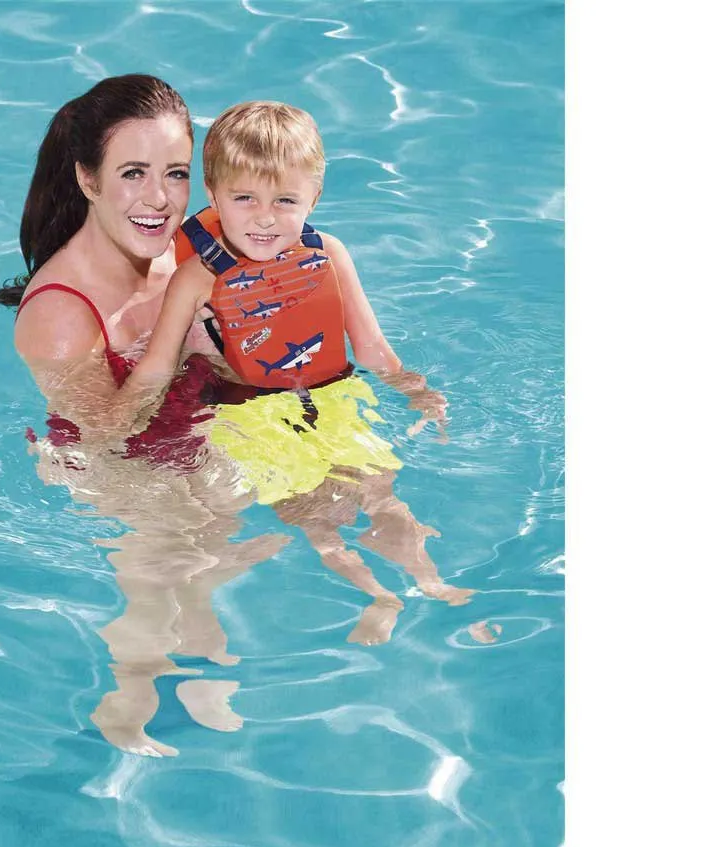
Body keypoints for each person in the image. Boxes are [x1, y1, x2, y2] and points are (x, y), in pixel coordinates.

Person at [0, 76, 287, 756]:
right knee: (161, 570)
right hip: (104, 456)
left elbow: (220, 360)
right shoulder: (59, 314)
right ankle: (123, 709)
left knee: (215, 545)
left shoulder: (175, 254)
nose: (159, 199)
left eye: (175, 174)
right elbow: (106, 435)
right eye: (133, 174)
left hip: (182, 423)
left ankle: (203, 673)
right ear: (87, 179)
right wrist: (177, 329)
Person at [144, 101, 476, 644]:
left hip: (334, 395)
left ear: (314, 197)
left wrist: (415, 389)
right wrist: (121, 419)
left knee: (380, 491)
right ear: (214, 195)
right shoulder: (196, 279)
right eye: (245, 198)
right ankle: (379, 595)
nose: (265, 217)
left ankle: (431, 581)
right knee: (312, 513)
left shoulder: (329, 253)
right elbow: (159, 366)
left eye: (285, 200)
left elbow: (371, 346)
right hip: (249, 411)